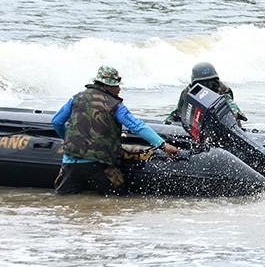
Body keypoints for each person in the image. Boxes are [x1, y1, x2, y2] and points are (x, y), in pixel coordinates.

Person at [52, 66, 180, 195]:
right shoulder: (115, 105)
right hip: (99, 163)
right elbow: (137, 126)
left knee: (65, 201)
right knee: (115, 201)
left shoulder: (76, 98)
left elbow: (57, 121)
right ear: (107, 86)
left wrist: (69, 140)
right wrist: (163, 145)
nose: (119, 89)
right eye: (116, 86)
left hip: (70, 161)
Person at [165, 62, 247, 124]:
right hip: (198, 122)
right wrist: (168, 123)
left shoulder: (222, 88)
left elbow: (230, 103)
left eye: (210, 82)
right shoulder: (188, 92)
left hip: (222, 121)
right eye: (203, 83)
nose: (207, 86)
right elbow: (179, 112)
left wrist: (235, 113)